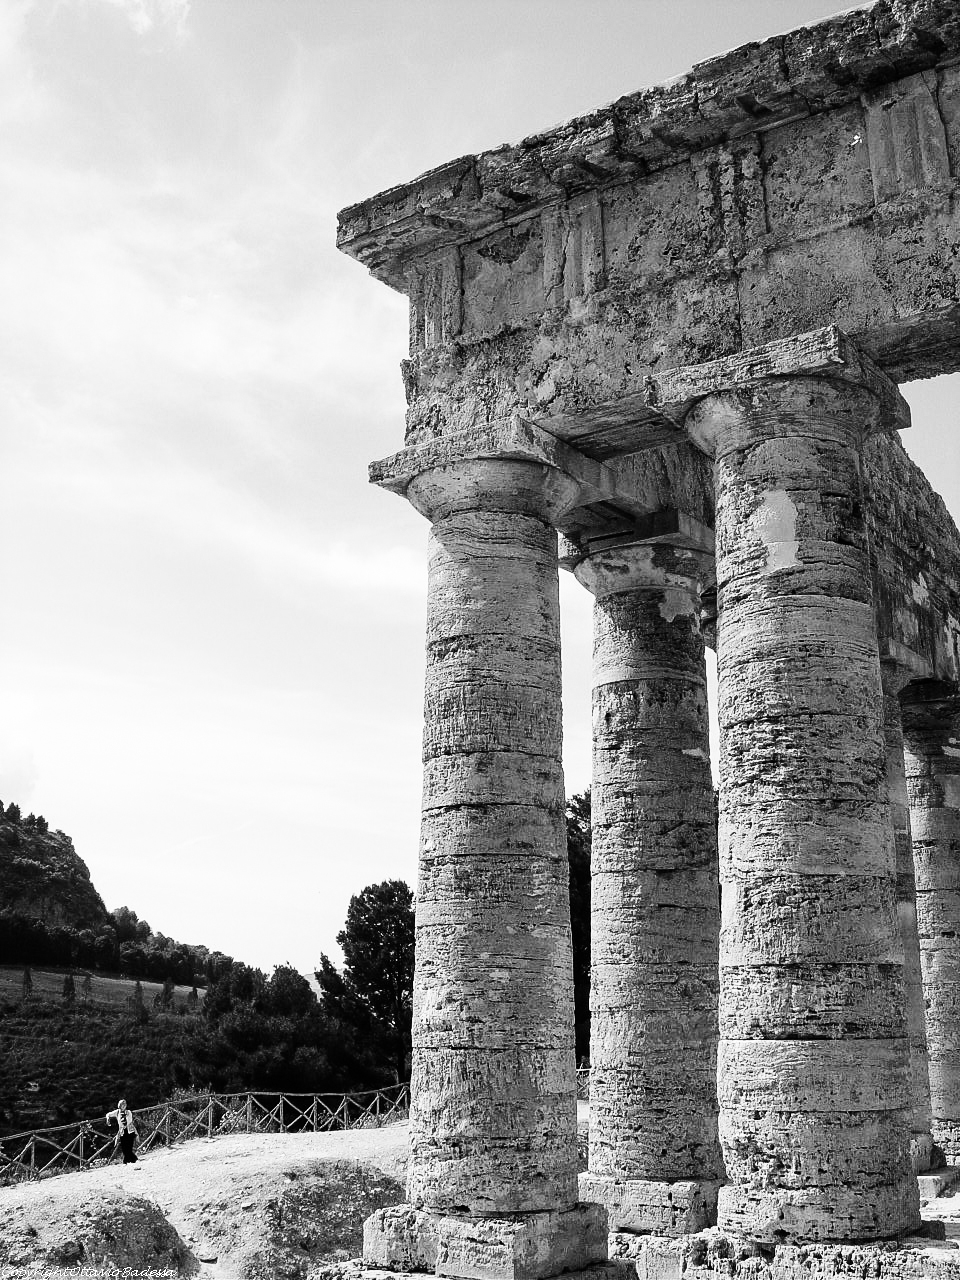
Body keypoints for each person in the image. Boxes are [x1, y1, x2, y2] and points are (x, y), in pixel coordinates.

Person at [106, 1098, 140, 1164]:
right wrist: (107, 1119)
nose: (124, 1106)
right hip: (122, 1131)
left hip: (129, 1130)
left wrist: (125, 1124)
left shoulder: (129, 1112)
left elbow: (130, 1121)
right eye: (122, 1105)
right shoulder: (117, 1112)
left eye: (124, 1105)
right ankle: (133, 1159)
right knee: (124, 1147)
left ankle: (127, 1161)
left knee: (129, 1147)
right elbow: (108, 1114)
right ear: (120, 1106)